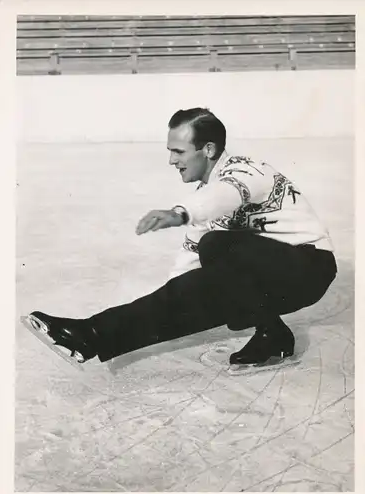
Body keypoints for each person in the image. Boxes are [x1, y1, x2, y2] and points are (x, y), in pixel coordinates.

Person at [23, 108, 337, 368]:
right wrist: (179, 297)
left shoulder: (248, 171)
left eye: (179, 151)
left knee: (215, 244)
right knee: (195, 283)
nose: (172, 160)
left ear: (209, 150)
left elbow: (226, 195)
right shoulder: (206, 197)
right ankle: (91, 335)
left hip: (308, 268)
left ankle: (269, 328)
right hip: (267, 278)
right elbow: (185, 270)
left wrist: (180, 213)